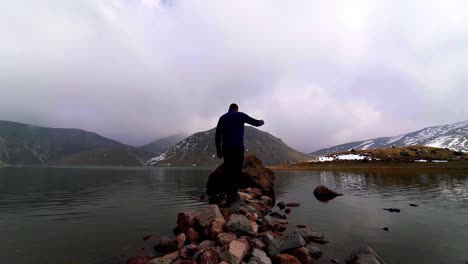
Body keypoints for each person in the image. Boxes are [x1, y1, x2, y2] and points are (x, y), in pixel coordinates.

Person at [215, 103, 264, 205]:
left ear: (229, 109)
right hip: (238, 149)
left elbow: (217, 135)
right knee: (236, 172)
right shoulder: (241, 115)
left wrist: (219, 151)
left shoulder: (222, 118)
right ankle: (233, 196)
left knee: (228, 171)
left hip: (226, 150)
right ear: (236, 109)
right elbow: (255, 122)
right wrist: (261, 121)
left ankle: (228, 195)